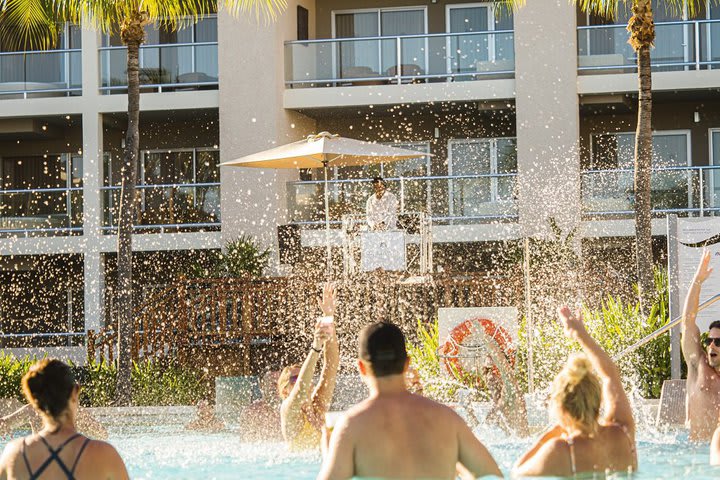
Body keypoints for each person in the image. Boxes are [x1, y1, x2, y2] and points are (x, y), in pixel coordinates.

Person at [318, 322, 501, 480]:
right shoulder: (447, 419)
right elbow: (492, 475)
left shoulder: (353, 425)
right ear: (406, 364)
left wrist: (329, 453)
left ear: (361, 367)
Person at [513, 306, 636, 477]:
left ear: (561, 408)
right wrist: (580, 334)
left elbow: (518, 472)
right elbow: (611, 376)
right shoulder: (623, 433)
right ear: (598, 399)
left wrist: (553, 432)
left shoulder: (560, 450)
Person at [0, 358, 128, 480]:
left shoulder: (14, 454)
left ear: (32, 398)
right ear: (75, 392)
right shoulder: (104, 454)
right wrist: (79, 414)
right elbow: (102, 433)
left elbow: (4, 423)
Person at [278, 283, 339, 450]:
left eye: (304, 375)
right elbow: (300, 389)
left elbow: (331, 365)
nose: (303, 380)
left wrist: (328, 318)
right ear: (285, 391)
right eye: (294, 378)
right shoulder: (288, 411)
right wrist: (316, 346)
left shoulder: (317, 406)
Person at [681, 250, 720, 442]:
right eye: (709, 340)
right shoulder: (698, 365)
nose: (711, 345)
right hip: (696, 456)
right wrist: (698, 280)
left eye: (718, 342)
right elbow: (688, 322)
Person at [239, 371, 282, 442]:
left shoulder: (289, 410)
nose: (276, 388)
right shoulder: (251, 412)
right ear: (262, 385)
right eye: (273, 384)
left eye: (279, 384)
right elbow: (245, 444)